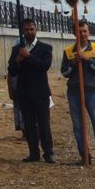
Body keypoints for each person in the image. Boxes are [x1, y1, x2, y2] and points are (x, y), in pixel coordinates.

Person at [61, 21, 95, 166]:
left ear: (89, 33)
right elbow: (64, 72)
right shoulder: (68, 51)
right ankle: (85, 156)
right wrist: (74, 63)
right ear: (74, 33)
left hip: (92, 92)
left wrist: (88, 60)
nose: (82, 34)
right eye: (79, 31)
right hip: (74, 93)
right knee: (78, 127)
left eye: (84, 31)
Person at [8, 18, 55, 163]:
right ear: (22, 31)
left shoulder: (45, 48)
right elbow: (12, 70)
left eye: (31, 29)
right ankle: (34, 153)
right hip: (24, 93)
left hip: (40, 92)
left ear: (36, 30)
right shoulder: (17, 50)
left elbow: (44, 66)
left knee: (44, 124)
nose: (29, 32)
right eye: (26, 30)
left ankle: (48, 153)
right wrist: (18, 60)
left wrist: (28, 56)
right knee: (28, 125)